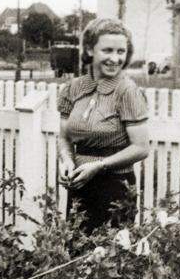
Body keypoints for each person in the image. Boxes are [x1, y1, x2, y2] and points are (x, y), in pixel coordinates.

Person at [57, 18, 149, 234]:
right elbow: (64, 137)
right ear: (89, 50)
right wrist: (67, 160)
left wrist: (98, 166)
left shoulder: (128, 92)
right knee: (76, 251)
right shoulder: (73, 88)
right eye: (107, 50)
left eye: (121, 52)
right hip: (79, 183)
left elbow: (141, 148)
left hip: (115, 187)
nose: (115, 59)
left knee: (110, 256)